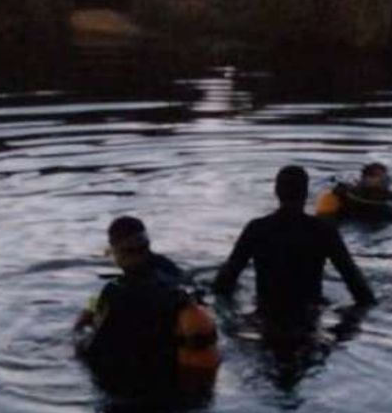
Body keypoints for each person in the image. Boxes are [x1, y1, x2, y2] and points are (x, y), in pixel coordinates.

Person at [76, 216, 218, 392]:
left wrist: (79, 332)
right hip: (177, 379)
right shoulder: (170, 270)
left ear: (116, 250)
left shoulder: (114, 291)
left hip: (135, 384)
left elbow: (94, 350)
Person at [215, 165, 376, 314]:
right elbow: (359, 289)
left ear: (276, 192)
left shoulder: (257, 229)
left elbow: (224, 283)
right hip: (309, 319)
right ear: (306, 193)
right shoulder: (323, 231)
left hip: (267, 317)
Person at [315, 161, 392, 221]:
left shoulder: (388, 200)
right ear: (365, 178)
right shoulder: (344, 193)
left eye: (385, 176)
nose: (383, 179)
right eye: (377, 176)